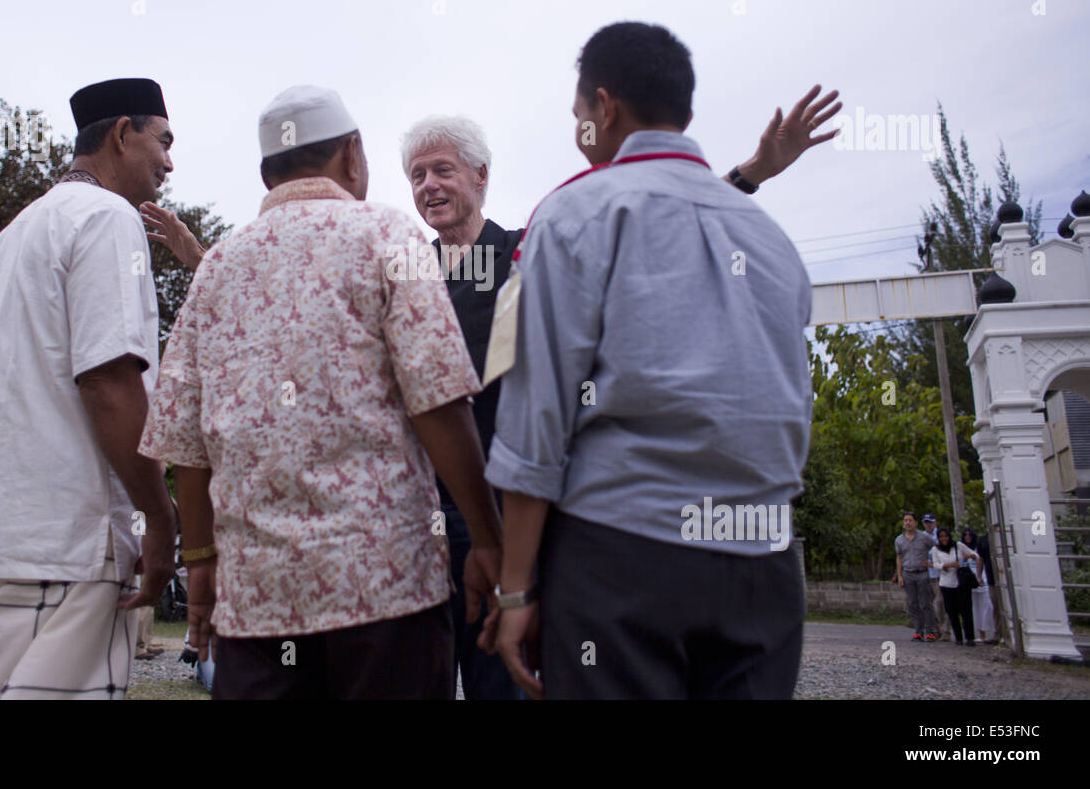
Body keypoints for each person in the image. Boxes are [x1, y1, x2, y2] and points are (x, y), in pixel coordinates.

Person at [399, 93, 839, 698]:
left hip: (508, 511)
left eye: (442, 169)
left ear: (480, 175)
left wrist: (752, 173)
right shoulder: (405, 280)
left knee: (500, 683)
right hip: (418, 517)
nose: (428, 186)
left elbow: (657, 231)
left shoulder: (528, 251)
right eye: (417, 176)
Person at [138, 84, 504, 699]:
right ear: (354, 157)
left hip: (257, 608)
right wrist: (491, 538)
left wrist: (200, 564)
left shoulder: (217, 269)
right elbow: (439, 402)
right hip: (385, 601)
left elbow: (187, 444)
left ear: (264, 173)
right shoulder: (388, 236)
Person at [0, 78, 177, 700]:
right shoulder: (107, 217)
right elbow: (111, 383)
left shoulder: (18, 230)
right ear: (123, 133)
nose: (169, 162)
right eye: (164, 141)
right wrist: (161, 515)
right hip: (71, 544)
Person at [930, 526, 979, 646]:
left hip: (961, 582)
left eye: (945, 536)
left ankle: (970, 637)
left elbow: (974, 554)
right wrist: (947, 565)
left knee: (966, 611)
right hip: (946, 583)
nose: (944, 539)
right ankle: (958, 637)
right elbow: (935, 564)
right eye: (941, 537)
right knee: (952, 612)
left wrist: (969, 557)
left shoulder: (958, 546)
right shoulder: (935, 549)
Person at [895, 512, 938, 642]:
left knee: (926, 603)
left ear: (915, 523)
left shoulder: (924, 538)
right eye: (905, 521)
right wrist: (899, 575)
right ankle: (918, 631)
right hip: (908, 573)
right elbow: (899, 557)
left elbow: (936, 549)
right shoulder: (899, 540)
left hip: (922, 572)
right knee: (913, 604)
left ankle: (930, 631)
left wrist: (932, 563)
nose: (908, 523)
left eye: (910, 520)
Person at [959, 527, 995, 643]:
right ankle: (981, 633)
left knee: (988, 605)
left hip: (982, 578)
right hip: (968, 579)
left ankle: (991, 630)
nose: (968, 537)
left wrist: (980, 576)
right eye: (965, 535)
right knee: (975, 608)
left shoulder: (978, 546)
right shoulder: (961, 549)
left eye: (970, 535)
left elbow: (981, 560)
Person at [922, 512, 948, 632]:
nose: (928, 525)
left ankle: (945, 628)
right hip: (926, 574)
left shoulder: (941, 535)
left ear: (935, 523)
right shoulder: (921, 536)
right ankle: (935, 628)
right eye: (926, 523)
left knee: (940, 603)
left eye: (930, 522)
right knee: (928, 604)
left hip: (939, 574)